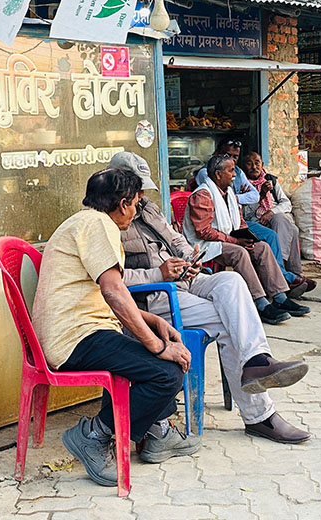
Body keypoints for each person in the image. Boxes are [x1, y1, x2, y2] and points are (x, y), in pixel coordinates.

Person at [110, 152, 312, 443]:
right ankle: (260, 416)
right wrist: (158, 273)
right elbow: (112, 283)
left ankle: (258, 358)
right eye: (135, 189)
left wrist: (187, 256)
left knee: (231, 281)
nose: (140, 195)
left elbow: (175, 237)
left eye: (142, 189)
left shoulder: (147, 208)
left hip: (183, 280)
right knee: (230, 324)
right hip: (153, 297)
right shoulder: (107, 221)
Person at [33, 168, 199, 488]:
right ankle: (93, 436)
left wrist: (154, 321)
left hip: (80, 332)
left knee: (145, 359)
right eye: (136, 203)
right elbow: (112, 291)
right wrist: (157, 345)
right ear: (123, 204)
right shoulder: (100, 225)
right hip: (76, 338)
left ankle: (157, 433)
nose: (136, 210)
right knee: (167, 372)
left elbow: (108, 296)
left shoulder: (84, 222)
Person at [185, 154, 309, 324]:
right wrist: (236, 241)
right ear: (218, 174)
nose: (235, 175)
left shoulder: (228, 193)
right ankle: (260, 303)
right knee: (240, 253)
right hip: (206, 245)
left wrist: (246, 236)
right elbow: (203, 232)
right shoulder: (203, 196)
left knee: (262, 247)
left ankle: (279, 297)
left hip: (226, 239)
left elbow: (240, 221)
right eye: (231, 171)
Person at [242, 151, 307, 281]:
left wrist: (271, 212)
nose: (254, 167)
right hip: (255, 221)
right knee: (292, 230)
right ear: (244, 167)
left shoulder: (270, 180)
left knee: (281, 219)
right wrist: (261, 195)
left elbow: (286, 203)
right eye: (249, 164)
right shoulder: (243, 185)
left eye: (257, 163)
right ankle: (286, 272)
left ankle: (288, 270)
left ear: (262, 164)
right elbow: (245, 214)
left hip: (275, 218)